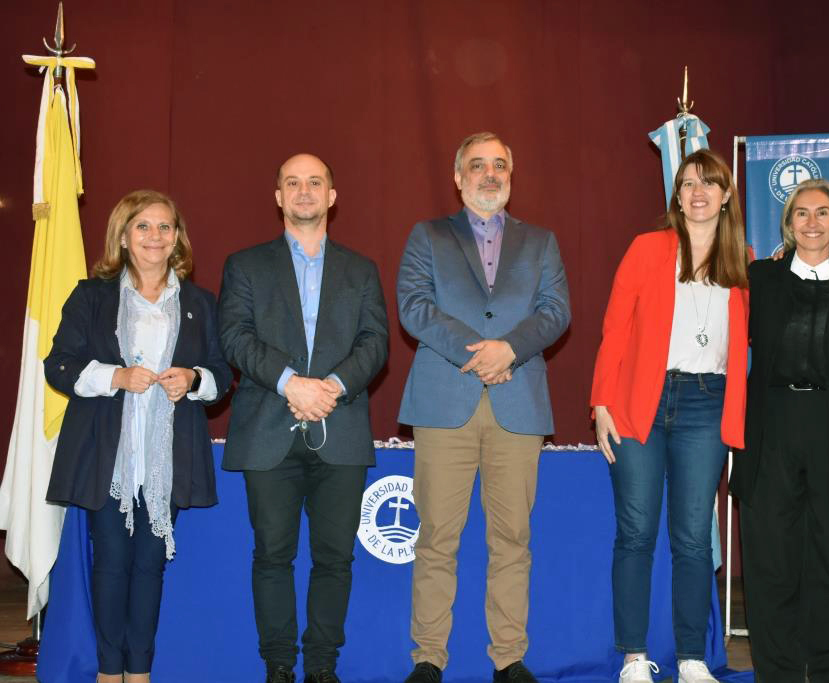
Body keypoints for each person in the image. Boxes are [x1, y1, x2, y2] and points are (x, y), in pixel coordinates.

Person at [396, 132, 570, 683]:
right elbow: (414, 307)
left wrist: (511, 350)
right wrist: (481, 354)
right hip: (446, 400)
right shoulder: (428, 235)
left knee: (512, 541)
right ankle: (428, 659)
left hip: (517, 404)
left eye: (499, 165)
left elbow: (556, 312)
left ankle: (509, 658)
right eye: (478, 165)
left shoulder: (541, 242)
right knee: (437, 539)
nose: (489, 174)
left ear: (511, 175)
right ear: (458, 176)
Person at [44, 190, 232, 683]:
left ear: (177, 239)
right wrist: (114, 377)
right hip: (108, 456)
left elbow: (221, 374)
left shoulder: (199, 302)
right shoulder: (91, 297)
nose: (155, 236)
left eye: (165, 227)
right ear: (123, 237)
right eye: (143, 227)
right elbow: (58, 366)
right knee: (110, 563)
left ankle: (140, 672)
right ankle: (109, 672)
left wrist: (192, 379)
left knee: (150, 566)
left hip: (167, 458)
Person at [218, 153, 388, 683]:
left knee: (335, 559)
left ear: (332, 196)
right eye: (293, 183)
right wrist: (293, 384)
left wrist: (329, 389)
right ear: (278, 196)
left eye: (315, 182)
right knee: (272, 556)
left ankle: (321, 667)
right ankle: (278, 667)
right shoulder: (245, 265)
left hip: (340, 429)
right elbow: (235, 338)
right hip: (268, 427)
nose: (305, 191)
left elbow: (375, 343)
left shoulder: (361, 270)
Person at [590, 149, 749, 683]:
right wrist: (601, 404)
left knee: (692, 538)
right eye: (687, 184)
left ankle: (691, 658)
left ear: (726, 195)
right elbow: (614, 328)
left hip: (708, 404)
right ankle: (634, 658)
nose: (697, 193)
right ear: (676, 196)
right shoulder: (647, 248)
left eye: (709, 183)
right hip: (642, 403)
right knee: (635, 533)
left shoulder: (745, 262)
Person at [730, 178, 829, 681]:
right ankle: (779, 673)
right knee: (771, 560)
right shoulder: (759, 279)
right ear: (788, 224)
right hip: (771, 429)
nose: (812, 223)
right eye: (801, 214)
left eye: (822, 213)